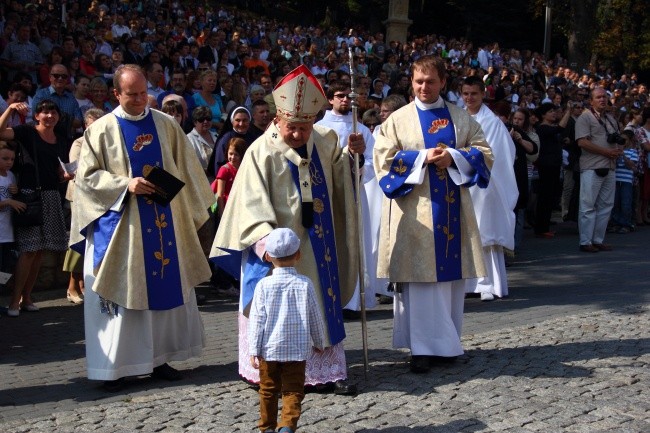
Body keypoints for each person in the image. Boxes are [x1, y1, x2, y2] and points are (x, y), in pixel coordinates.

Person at [212, 64, 363, 395]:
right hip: (280, 254)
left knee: (320, 304)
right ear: (277, 120)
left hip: (319, 245)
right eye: (293, 127)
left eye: (305, 126)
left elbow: (342, 181)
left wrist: (353, 158)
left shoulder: (325, 140)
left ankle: (325, 371)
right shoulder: (259, 151)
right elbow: (248, 206)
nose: (299, 134)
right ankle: (275, 373)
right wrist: (270, 244)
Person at [69, 64, 215, 391]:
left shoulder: (165, 124)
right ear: (116, 94)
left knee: (163, 289)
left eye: (143, 93)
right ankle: (114, 368)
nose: (139, 100)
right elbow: (87, 179)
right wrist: (125, 184)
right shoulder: (101, 130)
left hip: (165, 224)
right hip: (122, 228)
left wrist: (186, 202)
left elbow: (188, 170)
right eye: (131, 94)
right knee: (124, 296)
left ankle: (158, 359)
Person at [373, 55, 492, 374]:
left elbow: (484, 153)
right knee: (422, 281)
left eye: (430, 81)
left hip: (453, 211)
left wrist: (453, 157)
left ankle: (448, 343)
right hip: (414, 214)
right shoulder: (397, 120)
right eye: (418, 81)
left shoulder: (459, 118)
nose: (424, 87)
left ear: (442, 82)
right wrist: (422, 158)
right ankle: (423, 349)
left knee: (448, 283)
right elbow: (382, 161)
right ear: (411, 83)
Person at [316, 80, 386, 316]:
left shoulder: (361, 129)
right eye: (340, 96)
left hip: (355, 193)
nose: (345, 100)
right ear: (330, 99)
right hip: (329, 195)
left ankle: (355, 299)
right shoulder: (319, 127)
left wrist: (357, 171)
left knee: (357, 241)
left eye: (349, 96)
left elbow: (372, 160)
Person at [248, 227, 326, 433]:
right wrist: (319, 342)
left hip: (269, 350)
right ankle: (287, 426)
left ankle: (267, 428)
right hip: (296, 350)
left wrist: (254, 349)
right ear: (298, 255)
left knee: (267, 390)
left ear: (267, 256)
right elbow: (315, 317)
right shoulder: (305, 284)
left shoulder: (263, 285)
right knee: (292, 390)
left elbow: (257, 320)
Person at [0, 99, 73, 317]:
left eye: (53, 112)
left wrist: (65, 176)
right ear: (37, 115)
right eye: (44, 112)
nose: (49, 116)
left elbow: (58, 171)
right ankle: (13, 302)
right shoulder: (26, 132)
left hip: (51, 195)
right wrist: (11, 109)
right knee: (29, 250)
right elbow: (1, 133)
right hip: (30, 197)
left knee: (40, 251)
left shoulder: (61, 140)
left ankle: (27, 298)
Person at [460, 76, 518, 301]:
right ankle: (466, 284)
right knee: (466, 234)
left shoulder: (491, 122)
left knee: (485, 231)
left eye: (474, 93)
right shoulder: (458, 117)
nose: (469, 98)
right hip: (462, 182)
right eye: (465, 93)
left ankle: (487, 283)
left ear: (483, 94)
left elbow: (493, 154)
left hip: (485, 185)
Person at [63, 108, 106, 306]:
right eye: (91, 125)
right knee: (79, 240)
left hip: (100, 199)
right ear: (86, 126)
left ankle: (85, 284)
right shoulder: (79, 143)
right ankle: (72, 286)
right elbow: (76, 169)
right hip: (79, 198)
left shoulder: (106, 143)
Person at [575, 88, 623, 252]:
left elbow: (617, 139)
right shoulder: (585, 117)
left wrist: (618, 150)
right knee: (588, 205)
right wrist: (606, 152)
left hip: (610, 166)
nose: (602, 100)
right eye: (599, 97)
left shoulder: (611, 118)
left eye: (604, 97)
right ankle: (585, 241)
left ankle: (598, 239)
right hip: (592, 166)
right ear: (591, 101)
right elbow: (582, 142)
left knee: (606, 205)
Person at [0, 141, 24, 296]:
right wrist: (9, 201)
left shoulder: (11, 176)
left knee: (5, 269)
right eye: (5, 159)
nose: (9, 162)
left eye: (12, 159)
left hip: (7, 233)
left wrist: (15, 192)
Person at [609, 130, 638, 233]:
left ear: (629, 141)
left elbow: (631, 166)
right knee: (615, 203)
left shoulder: (633, 151)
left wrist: (623, 155)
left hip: (626, 182)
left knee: (626, 203)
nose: (622, 141)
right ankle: (616, 223)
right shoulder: (615, 150)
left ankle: (626, 224)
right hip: (615, 180)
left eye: (624, 140)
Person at [213, 137, 246, 219]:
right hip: (227, 208)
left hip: (240, 208)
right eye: (230, 154)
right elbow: (220, 194)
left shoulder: (244, 168)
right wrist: (222, 214)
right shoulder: (224, 169)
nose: (233, 157)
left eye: (236, 154)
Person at [187, 106, 218, 177]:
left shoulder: (216, 136)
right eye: (201, 119)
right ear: (195, 122)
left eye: (208, 118)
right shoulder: (189, 139)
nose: (205, 122)